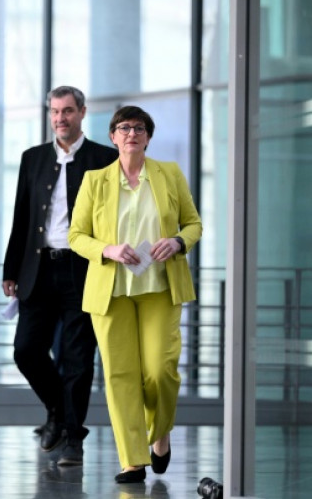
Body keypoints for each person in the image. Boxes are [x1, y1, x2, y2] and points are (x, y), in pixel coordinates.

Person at [68, 105, 202, 484]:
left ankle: (160, 434)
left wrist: (178, 242)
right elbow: (76, 235)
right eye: (124, 128)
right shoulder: (95, 180)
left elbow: (193, 224)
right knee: (120, 375)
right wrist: (107, 250)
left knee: (160, 371)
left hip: (160, 287)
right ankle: (132, 460)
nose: (131, 133)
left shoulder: (169, 174)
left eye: (139, 128)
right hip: (111, 293)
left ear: (148, 137)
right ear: (113, 137)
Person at [2, 86, 118, 466]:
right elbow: (22, 215)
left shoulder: (105, 159)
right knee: (25, 350)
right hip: (38, 270)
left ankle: (72, 438)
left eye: (67, 111)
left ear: (82, 112)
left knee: (77, 358)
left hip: (83, 270)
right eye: (54, 111)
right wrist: (10, 269)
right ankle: (57, 408)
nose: (60, 118)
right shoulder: (32, 158)